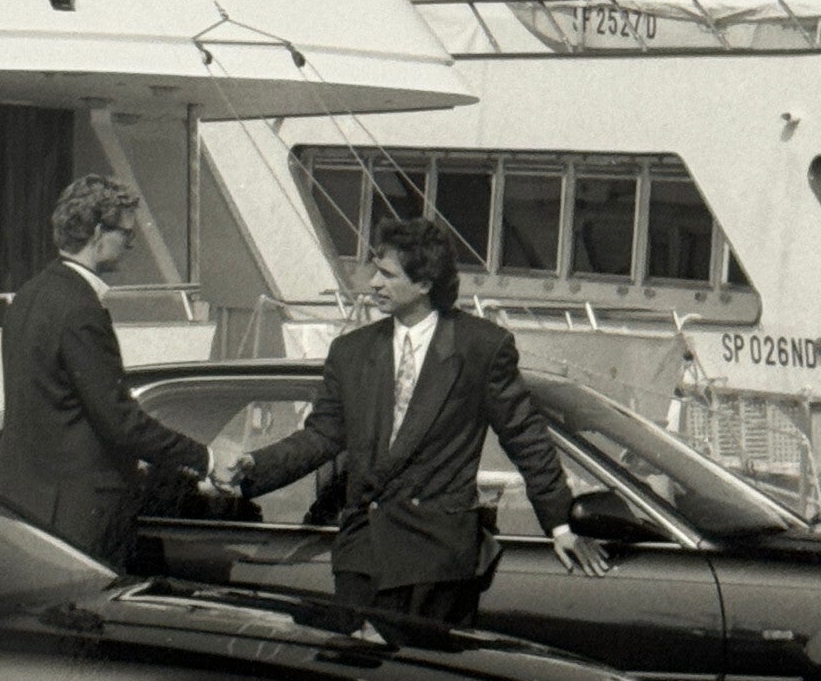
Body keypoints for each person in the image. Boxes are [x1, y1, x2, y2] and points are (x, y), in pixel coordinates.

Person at [228, 217, 609, 627]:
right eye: (376, 270)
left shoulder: (481, 347)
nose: (373, 283)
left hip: (438, 562)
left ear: (425, 284)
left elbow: (525, 438)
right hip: (363, 557)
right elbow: (321, 435)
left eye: (387, 274)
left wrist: (561, 525)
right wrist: (254, 465)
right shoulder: (350, 352)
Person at [0, 174, 219, 565]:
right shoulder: (81, 309)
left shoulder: (28, 296)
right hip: (82, 519)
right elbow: (120, 422)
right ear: (99, 231)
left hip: (24, 507)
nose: (130, 245)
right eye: (126, 234)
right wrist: (206, 458)